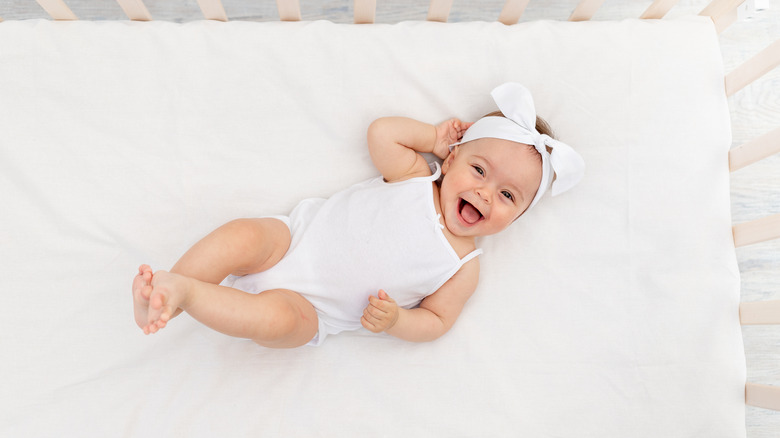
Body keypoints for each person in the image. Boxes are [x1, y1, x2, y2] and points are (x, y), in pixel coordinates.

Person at [131, 82, 585, 348]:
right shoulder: (415, 176)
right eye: (479, 169)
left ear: (519, 216)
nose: (485, 193)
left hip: (315, 310)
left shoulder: (463, 268)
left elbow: (438, 322)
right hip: (293, 241)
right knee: (244, 235)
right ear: (451, 160)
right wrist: (432, 137)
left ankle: (187, 295)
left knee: (278, 322)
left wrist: (398, 322)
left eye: (508, 195)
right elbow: (382, 133)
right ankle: (168, 290)